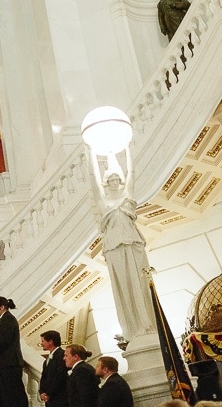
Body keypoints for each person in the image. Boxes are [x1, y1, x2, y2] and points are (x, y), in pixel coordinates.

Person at [88, 145, 155, 342]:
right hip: (114, 247)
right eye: (111, 179)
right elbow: (92, 178)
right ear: (106, 182)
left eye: (117, 178)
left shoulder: (127, 196)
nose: (115, 181)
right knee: (124, 286)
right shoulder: (103, 202)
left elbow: (132, 172)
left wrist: (127, 148)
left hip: (133, 244)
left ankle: (147, 323)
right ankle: (133, 328)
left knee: (141, 283)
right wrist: (90, 152)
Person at [0, 297, 27, 407]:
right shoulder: (6, 319)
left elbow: (4, 340)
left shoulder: (8, 319)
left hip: (10, 363)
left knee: (14, 394)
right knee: (9, 394)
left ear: (2, 307)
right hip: (7, 363)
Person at [39, 331, 67, 407]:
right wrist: (42, 392)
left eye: (43, 341)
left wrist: (49, 393)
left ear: (50, 342)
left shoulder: (62, 355)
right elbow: (44, 377)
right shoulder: (47, 360)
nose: (41, 344)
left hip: (59, 398)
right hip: (49, 400)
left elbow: (60, 377)